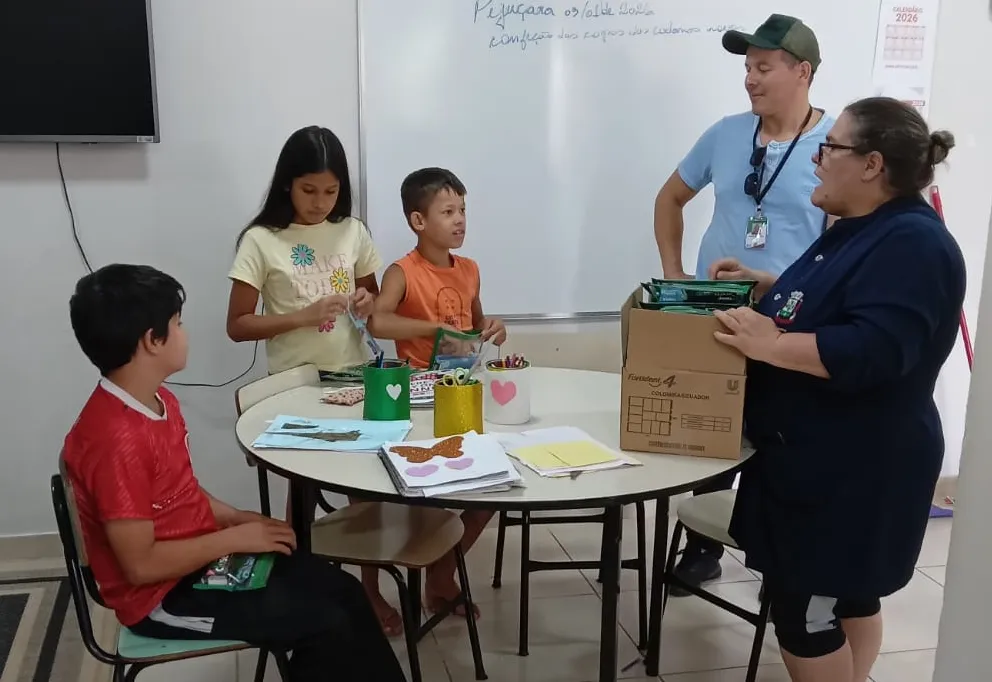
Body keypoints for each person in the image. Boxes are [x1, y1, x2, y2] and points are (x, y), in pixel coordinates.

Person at [709, 97, 964, 682]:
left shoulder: (913, 244)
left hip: (854, 469)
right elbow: (837, 304)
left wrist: (769, 343)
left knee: (807, 611)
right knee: (849, 597)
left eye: (831, 148)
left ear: (872, 164)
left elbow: (871, 349)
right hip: (821, 460)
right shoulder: (861, 229)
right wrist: (770, 286)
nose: (818, 161)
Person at [61, 264, 407, 682]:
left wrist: (238, 518)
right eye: (178, 324)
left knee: (347, 593)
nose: (185, 333)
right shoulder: (115, 439)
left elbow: (177, 493)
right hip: (163, 598)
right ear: (152, 341)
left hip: (199, 560)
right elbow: (140, 565)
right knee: (326, 624)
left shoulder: (159, 400)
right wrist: (235, 538)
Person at [652, 14, 833, 592]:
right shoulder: (726, 134)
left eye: (763, 68)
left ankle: (778, 550)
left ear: (801, 72)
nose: (750, 80)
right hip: (715, 313)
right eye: (746, 68)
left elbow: (844, 241)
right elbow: (670, 198)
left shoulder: (836, 148)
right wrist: (674, 274)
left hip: (791, 320)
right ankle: (701, 547)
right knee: (711, 429)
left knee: (780, 433)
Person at [368, 166, 504, 620]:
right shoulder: (402, 271)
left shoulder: (469, 269)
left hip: (461, 390)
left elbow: (475, 322)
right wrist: (433, 327)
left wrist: (492, 327)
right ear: (418, 221)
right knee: (432, 492)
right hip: (418, 400)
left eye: (462, 210)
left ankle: (441, 569)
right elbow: (379, 322)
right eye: (448, 211)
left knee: (491, 487)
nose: (460, 220)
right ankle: (438, 575)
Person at [226, 125, 381, 377]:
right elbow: (237, 325)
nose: (320, 203)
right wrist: (302, 317)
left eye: (331, 191)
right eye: (308, 191)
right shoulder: (260, 239)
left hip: (355, 374)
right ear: (288, 184)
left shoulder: (353, 231)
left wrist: (368, 301)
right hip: (293, 380)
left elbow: (373, 294)